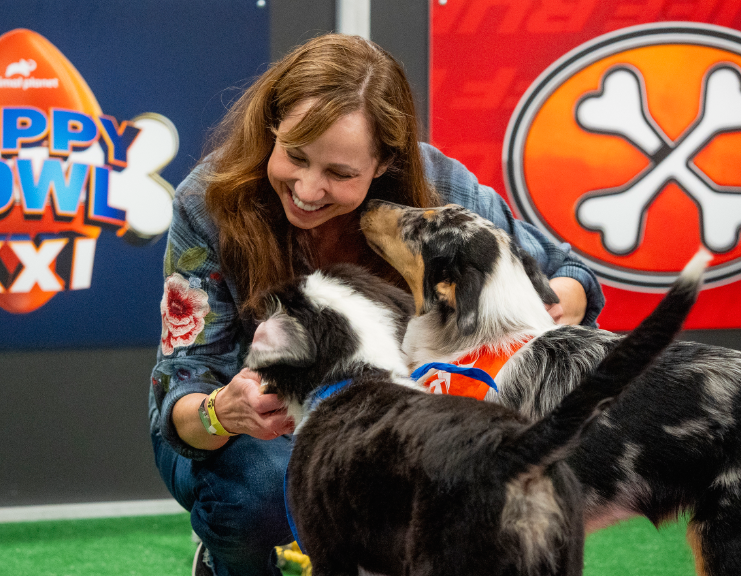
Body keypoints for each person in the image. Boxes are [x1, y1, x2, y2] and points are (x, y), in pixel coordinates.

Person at [148, 33, 604, 576]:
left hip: (397, 423)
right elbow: (179, 393)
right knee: (265, 490)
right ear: (273, 124)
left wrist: (549, 307)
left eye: (341, 174)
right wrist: (221, 412)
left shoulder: (439, 184)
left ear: (386, 161)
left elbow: (570, 275)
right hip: (254, 439)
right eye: (295, 156)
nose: (309, 189)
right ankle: (230, 560)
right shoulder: (208, 201)